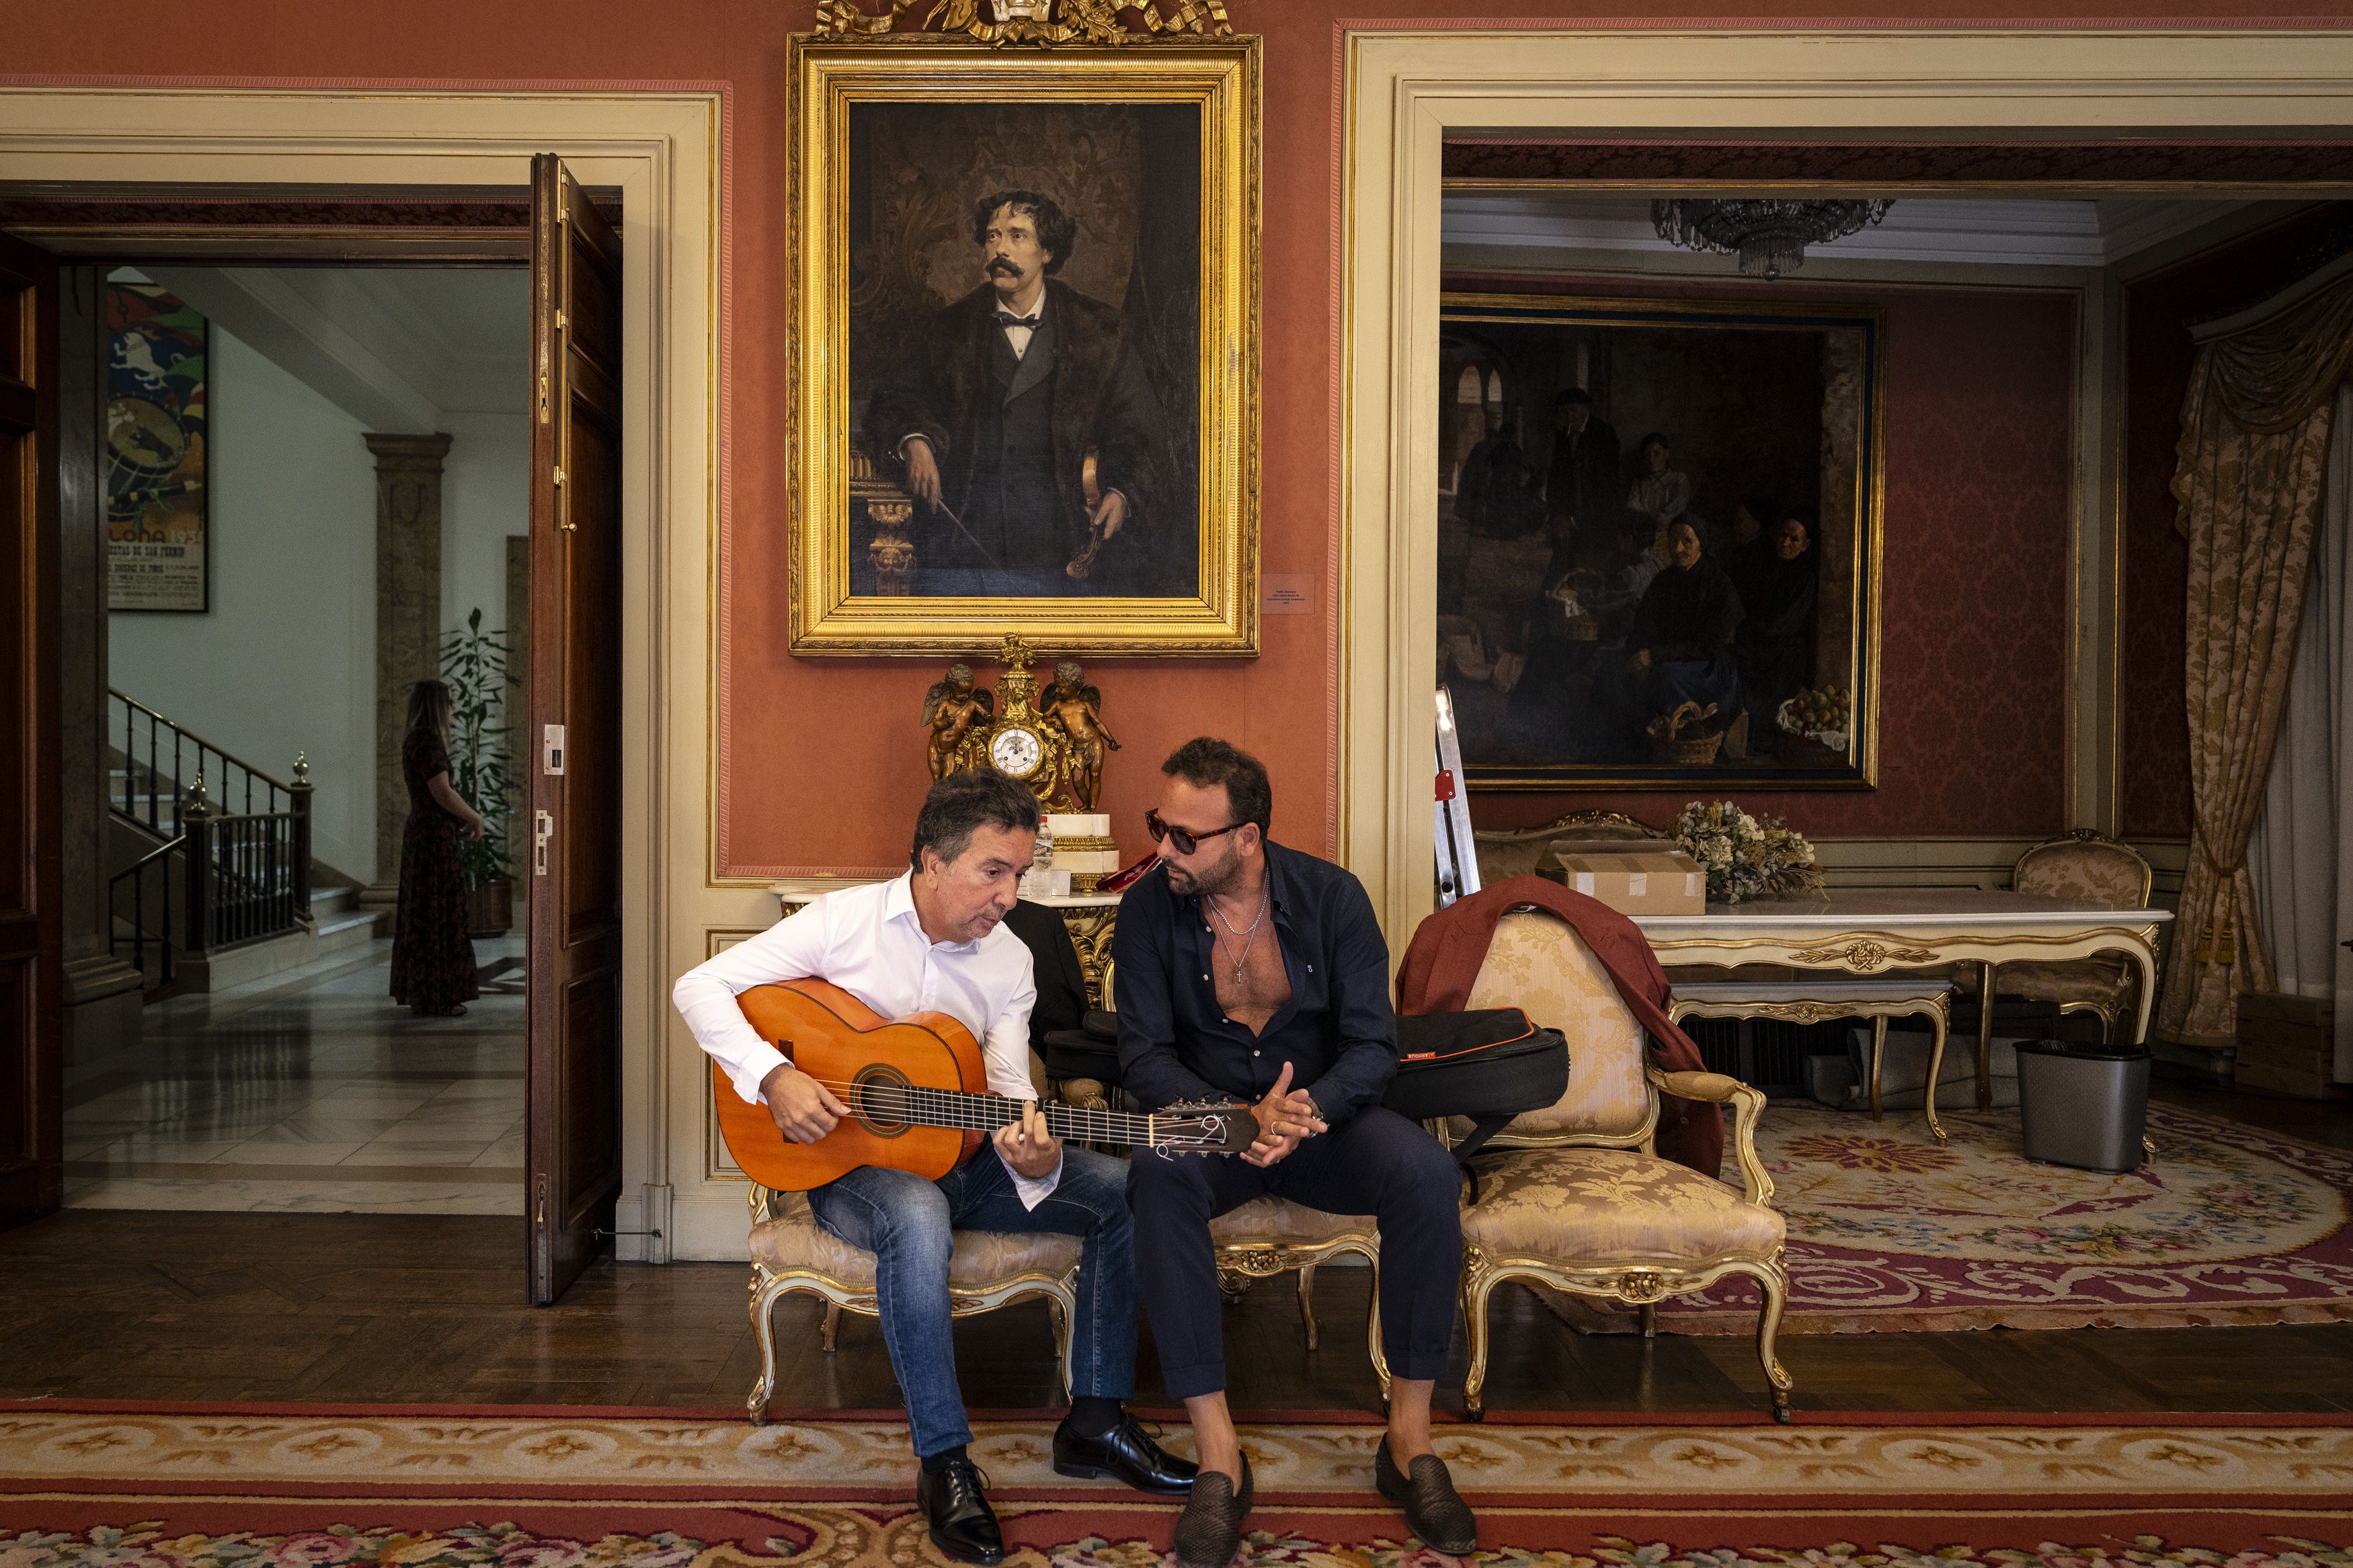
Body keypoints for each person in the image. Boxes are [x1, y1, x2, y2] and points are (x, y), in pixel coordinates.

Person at [671, 772, 1193, 1566]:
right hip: (848, 1171)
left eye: (1019, 873)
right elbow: (699, 984)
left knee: (1126, 1192)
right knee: (914, 1209)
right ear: (930, 861)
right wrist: (771, 1076)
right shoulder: (841, 922)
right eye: (994, 871)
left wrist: (1035, 1153)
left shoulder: (1009, 959)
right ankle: (944, 1460)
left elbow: (1012, 1091)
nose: (1010, 894)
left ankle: (1093, 1419)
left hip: (967, 1160)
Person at [1115, 739, 1476, 1568]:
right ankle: (1217, 1453)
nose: (1163, 849)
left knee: (1427, 1172)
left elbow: (1372, 1044)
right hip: (1211, 1125)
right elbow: (1141, 1057)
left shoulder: (1330, 896)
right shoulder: (1147, 909)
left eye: (1184, 836)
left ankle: (1409, 1440)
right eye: (1157, 826)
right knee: (1156, 1176)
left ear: (1246, 837)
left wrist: (1303, 1109)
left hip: (1323, 1122)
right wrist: (1235, 1115)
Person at [867, 189, 1171, 597]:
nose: (1000, 249)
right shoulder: (949, 329)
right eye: (992, 237)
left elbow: (1142, 429)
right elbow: (893, 398)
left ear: (1047, 251)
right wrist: (916, 442)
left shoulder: (1101, 331)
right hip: (970, 542)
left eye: (1017, 236)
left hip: (1068, 542)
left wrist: (1122, 493)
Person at [390, 678, 483, 1018]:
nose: (453, 710)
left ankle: (425, 992)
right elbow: (442, 792)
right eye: (450, 703)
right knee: (439, 913)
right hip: (432, 840)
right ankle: (442, 993)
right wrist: (475, 817)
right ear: (438, 706)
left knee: (425, 912)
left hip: (425, 834)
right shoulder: (427, 740)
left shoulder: (415, 739)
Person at [1623, 518, 1746, 737]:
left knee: (1666, 677)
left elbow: (1707, 646)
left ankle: (1680, 734)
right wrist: (1637, 654)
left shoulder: (1719, 585)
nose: (1678, 548)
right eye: (1673, 540)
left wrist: (1654, 656)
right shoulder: (1663, 581)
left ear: (1702, 545)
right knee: (1616, 671)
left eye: (1687, 541)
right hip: (1663, 657)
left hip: (1708, 667)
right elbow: (1643, 626)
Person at [1733, 508, 1821, 737]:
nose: (1786, 543)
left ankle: (1761, 737)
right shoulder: (1767, 569)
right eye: (1783, 536)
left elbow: (1783, 625)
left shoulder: (1805, 579)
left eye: (1794, 539)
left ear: (1806, 545)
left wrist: (1749, 630)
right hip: (1762, 645)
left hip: (1785, 651)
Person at [1541, 386, 1621, 560]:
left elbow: (1607, 482)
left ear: (1586, 408)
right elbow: (1556, 478)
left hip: (1594, 516)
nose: (1569, 416)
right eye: (1565, 411)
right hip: (1566, 515)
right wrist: (1558, 515)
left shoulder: (1603, 433)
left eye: (1574, 410)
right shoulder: (1562, 436)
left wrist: (1581, 516)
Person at [1626, 432, 1692, 538]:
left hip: (1671, 537)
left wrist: (1652, 523)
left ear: (1666, 454)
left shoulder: (1679, 480)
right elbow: (1633, 509)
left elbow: (1672, 514)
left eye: (1656, 453)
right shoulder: (1639, 483)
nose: (1652, 459)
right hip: (1643, 536)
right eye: (1648, 455)